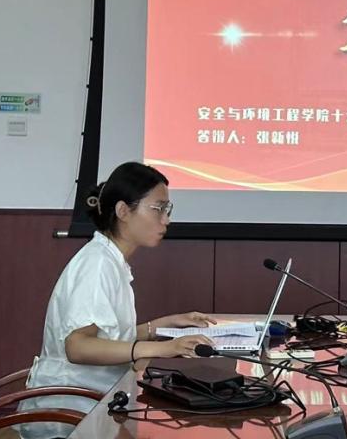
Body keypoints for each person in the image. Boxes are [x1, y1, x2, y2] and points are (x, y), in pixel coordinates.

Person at [21, 162, 214, 434]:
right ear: (123, 211)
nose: (166, 220)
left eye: (167, 210)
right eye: (158, 209)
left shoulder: (110, 259)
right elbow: (78, 347)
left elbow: (107, 336)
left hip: (98, 400)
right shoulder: (98, 264)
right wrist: (161, 348)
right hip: (72, 412)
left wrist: (162, 325)